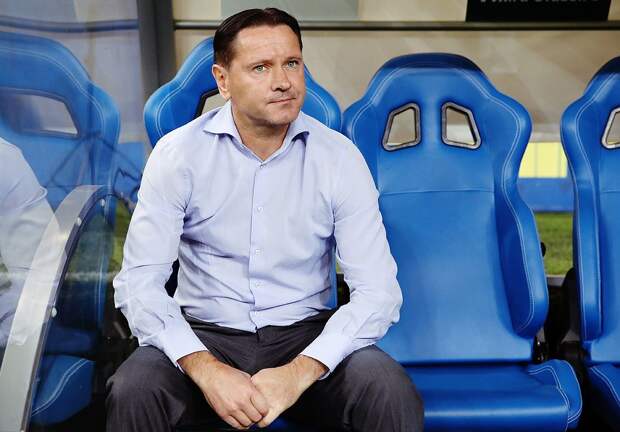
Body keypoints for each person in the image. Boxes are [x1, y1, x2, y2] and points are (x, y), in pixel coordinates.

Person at [107, 8, 423, 432]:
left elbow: (378, 292)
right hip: (204, 333)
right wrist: (204, 367)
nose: (283, 81)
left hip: (306, 334)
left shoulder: (339, 158)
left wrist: (301, 370)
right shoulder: (178, 155)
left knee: (386, 387)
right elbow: (139, 282)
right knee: (134, 388)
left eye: (292, 63)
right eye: (260, 67)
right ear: (223, 80)